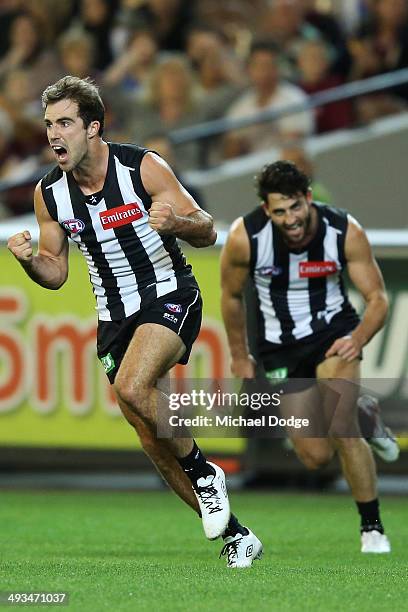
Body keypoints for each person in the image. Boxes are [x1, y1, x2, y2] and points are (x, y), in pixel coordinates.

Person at [7, 75, 262, 568]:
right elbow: (56, 272)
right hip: (113, 318)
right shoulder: (50, 195)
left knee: (132, 385)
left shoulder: (142, 167)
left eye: (65, 123)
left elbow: (207, 229)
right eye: (47, 125)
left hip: (170, 295)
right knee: (150, 436)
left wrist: (178, 224)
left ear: (93, 128)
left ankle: (206, 474)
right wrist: (28, 259)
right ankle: (237, 536)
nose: (53, 134)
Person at [221, 160, 395, 554]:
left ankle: (372, 528)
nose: (290, 219)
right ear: (267, 210)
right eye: (279, 211)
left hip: (334, 334)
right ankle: (367, 415)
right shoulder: (244, 237)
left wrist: (358, 337)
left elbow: (377, 299)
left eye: (295, 207)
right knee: (315, 456)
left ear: (309, 199)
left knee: (340, 425)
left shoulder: (344, 231)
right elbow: (230, 297)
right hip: (280, 348)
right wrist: (239, 354)